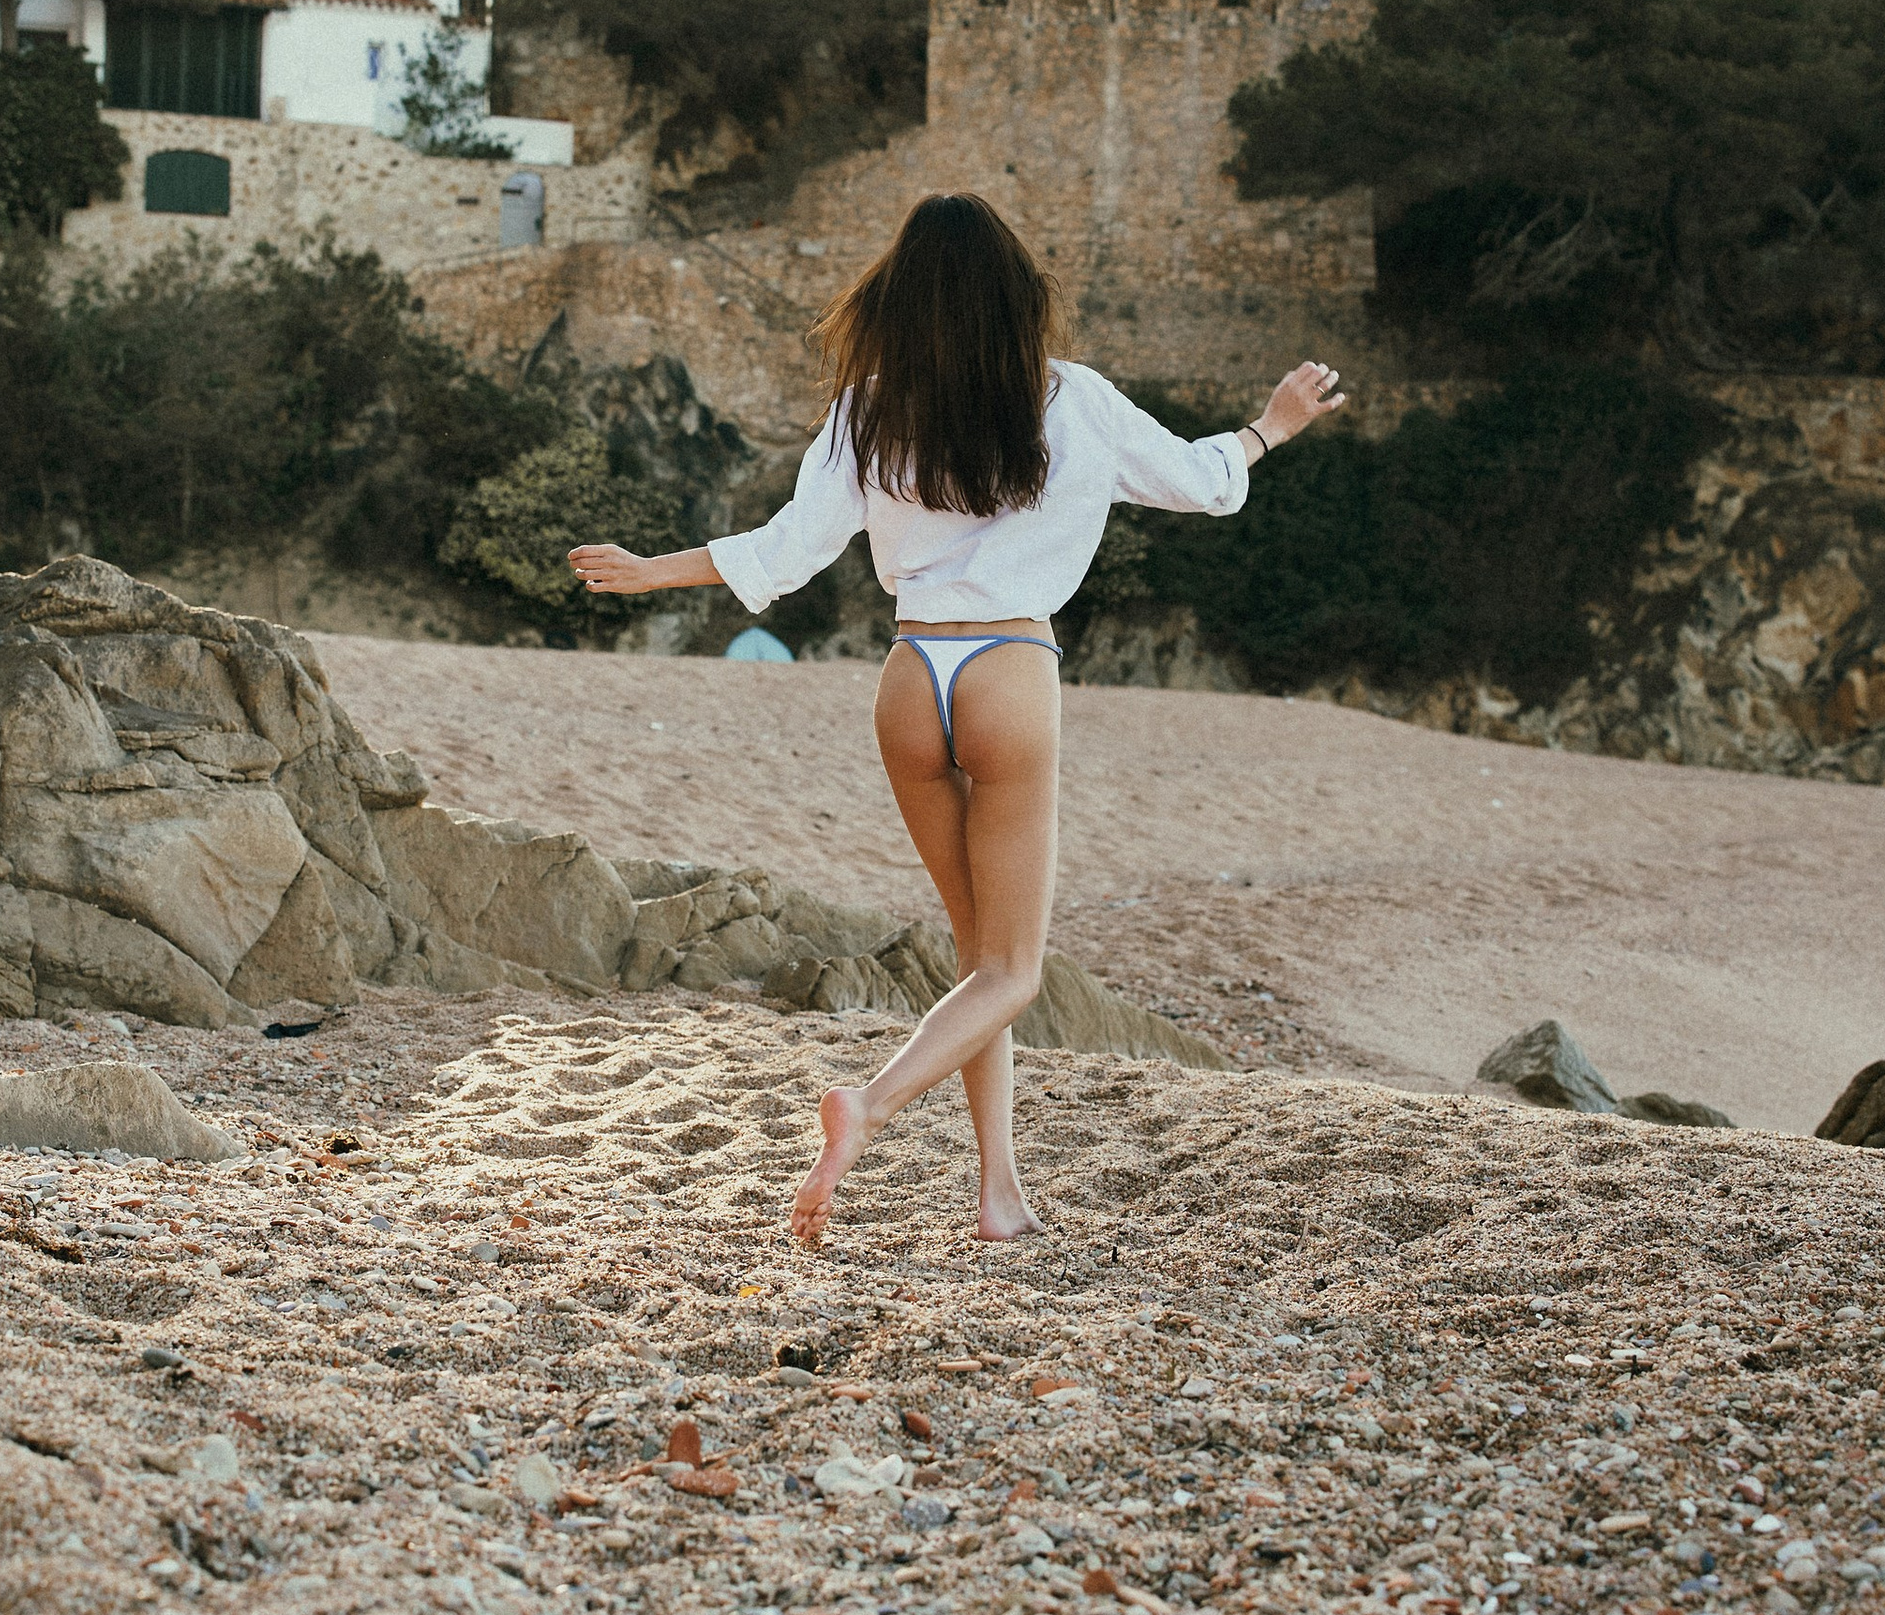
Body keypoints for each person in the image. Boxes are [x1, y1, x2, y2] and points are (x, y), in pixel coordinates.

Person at [567, 192, 1343, 1247]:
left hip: (911, 673)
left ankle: (999, 1197)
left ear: (900, 299)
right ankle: (869, 1106)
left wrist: (651, 570)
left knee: (981, 958)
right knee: (1013, 971)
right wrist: (1273, 424)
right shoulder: (1071, 400)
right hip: (1008, 673)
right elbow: (1207, 483)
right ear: (1017, 298)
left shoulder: (868, 409)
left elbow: (787, 548)